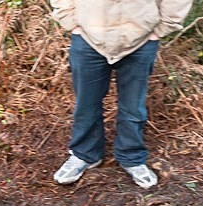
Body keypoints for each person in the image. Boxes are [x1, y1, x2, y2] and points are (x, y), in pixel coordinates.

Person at [51, 0, 194, 189]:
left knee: (133, 106)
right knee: (86, 104)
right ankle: (84, 154)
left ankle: (131, 157)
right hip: (88, 38)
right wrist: (71, 22)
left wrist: (160, 29)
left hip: (140, 41)